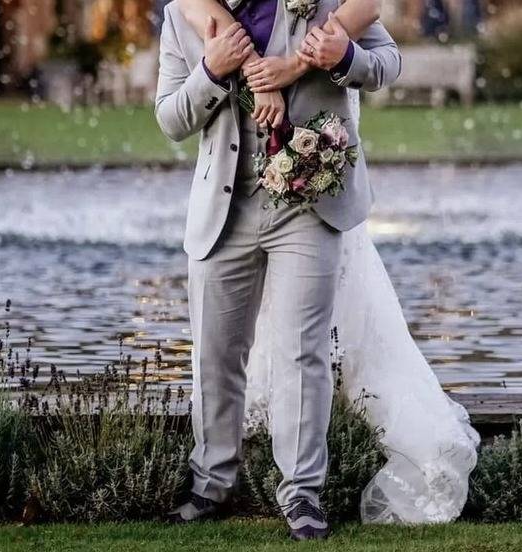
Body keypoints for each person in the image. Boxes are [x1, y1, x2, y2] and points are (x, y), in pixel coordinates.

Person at [155, 0, 403, 540]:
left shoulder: (325, 3)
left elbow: (388, 62)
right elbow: (171, 118)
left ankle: (302, 496)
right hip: (226, 208)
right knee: (216, 351)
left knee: (301, 350)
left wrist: (343, 57)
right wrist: (211, 70)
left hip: (308, 204)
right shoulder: (185, 17)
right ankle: (212, 482)